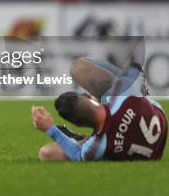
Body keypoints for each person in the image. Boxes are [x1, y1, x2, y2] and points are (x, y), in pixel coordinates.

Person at [32, 57, 167, 161]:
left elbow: (77, 154)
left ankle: (80, 139)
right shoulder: (120, 96)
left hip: (149, 152)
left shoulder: (97, 145)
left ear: (77, 124)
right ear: (87, 96)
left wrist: (50, 128)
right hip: (160, 123)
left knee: (46, 153)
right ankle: (80, 138)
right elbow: (136, 69)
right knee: (79, 67)